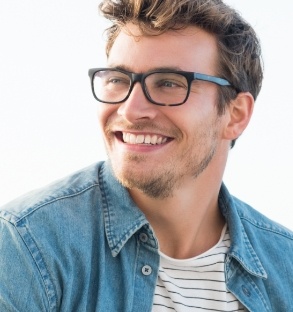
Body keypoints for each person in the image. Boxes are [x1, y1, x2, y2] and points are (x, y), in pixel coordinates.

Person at [1, 0, 293, 311]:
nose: (131, 110)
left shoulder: (285, 268)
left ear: (235, 115)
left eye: (168, 83)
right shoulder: (28, 246)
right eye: (118, 80)